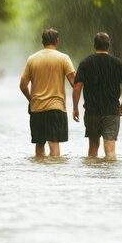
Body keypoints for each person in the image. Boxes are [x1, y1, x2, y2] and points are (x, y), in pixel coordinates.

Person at [72, 32, 122, 158]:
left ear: (94, 45)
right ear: (108, 46)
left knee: (92, 150)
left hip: (92, 111)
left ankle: (93, 176)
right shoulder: (117, 63)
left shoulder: (86, 63)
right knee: (110, 151)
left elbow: (77, 88)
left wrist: (75, 108)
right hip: (111, 111)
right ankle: (108, 175)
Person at [20, 28, 76, 157]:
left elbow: (23, 85)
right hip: (56, 108)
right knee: (54, 143)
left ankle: (40, 173)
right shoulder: (63, 58)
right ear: (57, 41)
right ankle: (54, 174)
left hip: (37, 108)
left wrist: (31, 99)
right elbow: (75, 83)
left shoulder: (32, 59)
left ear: (42, 42)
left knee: (39, 144)